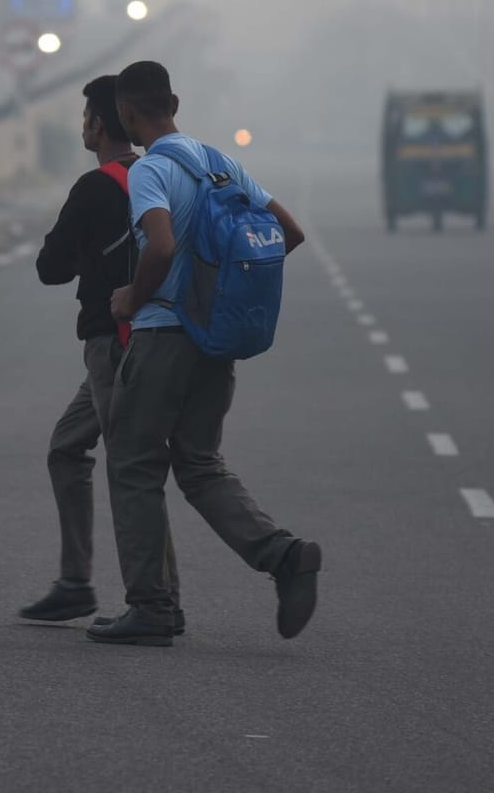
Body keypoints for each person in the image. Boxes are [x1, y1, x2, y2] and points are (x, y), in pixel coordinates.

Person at [89, 59, 321, 647]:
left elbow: (160, 246)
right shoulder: (222, 163)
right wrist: (220, 294)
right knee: (199, 463)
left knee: (134, 464)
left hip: (164, 336)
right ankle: (285, 555)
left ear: (127, 113)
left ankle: (152, 607)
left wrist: (130, 298)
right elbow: (287, 233)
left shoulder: (151, 172)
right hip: (215, 343)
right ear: (176, 101)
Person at [18, 77, 181, 628]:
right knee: (67, 448)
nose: (81, 125)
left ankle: (157, 600)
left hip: (113, 346)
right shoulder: (155, 177)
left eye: (86, 116)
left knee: (133, 471)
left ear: (98, 124)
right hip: (153, 338)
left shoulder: (94, 189)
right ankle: (76, 581)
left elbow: (50, 268)